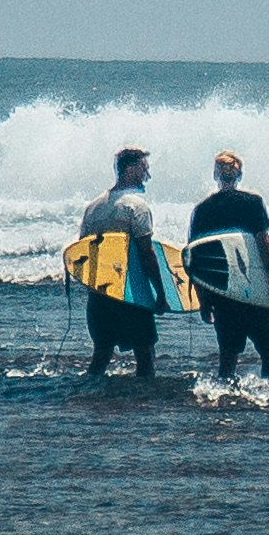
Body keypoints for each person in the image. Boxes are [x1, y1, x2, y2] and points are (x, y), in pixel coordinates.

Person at [187, 149, 269, 381]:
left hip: (224, 292)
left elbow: (196, 260)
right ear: (238, 175)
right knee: (268, 353)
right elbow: (266, 247)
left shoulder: (202, 210)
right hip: (255, 290)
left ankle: (223, 402)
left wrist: (204, 300)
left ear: (215, 175)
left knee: (227, 358)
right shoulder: (252, 203)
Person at [75, 145, 167, 379]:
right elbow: (146, 255)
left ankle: (91, 401)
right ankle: (142, 405)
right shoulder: (136, 207)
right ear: (130, 169)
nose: (148, 175)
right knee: (145, 356)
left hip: (100, 296)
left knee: (101, 356)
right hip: (130, 295)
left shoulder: (93, 208)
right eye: (144, 169)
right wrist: (161, 293)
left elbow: (84, 253)